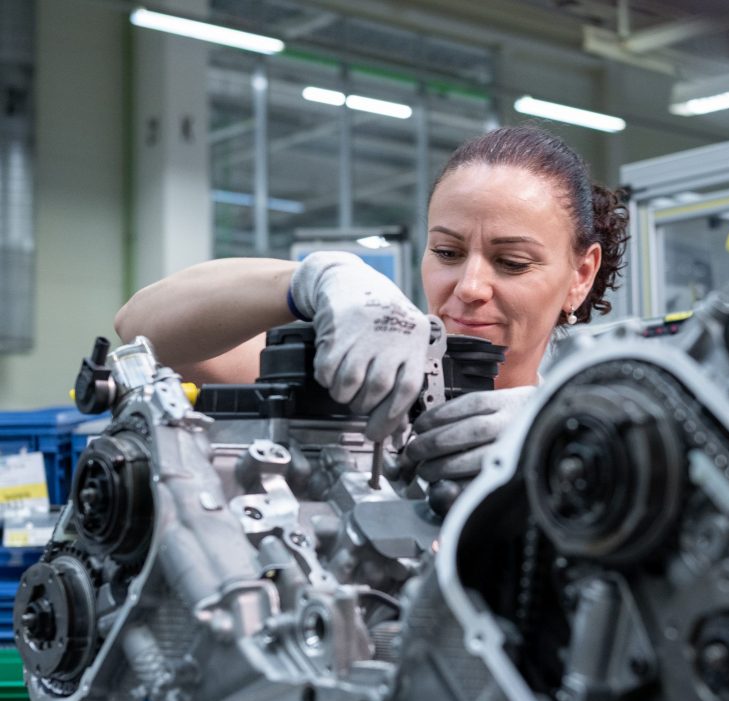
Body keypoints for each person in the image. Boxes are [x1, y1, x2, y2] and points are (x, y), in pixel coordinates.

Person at [114, 126, 628, 482]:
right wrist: (313, 278)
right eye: (447, 253)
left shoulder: (598, 434)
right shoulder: (354, 379)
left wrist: (563, 432)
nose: (470, 286)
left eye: (512, 262)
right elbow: (139, 327)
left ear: (581, 275)